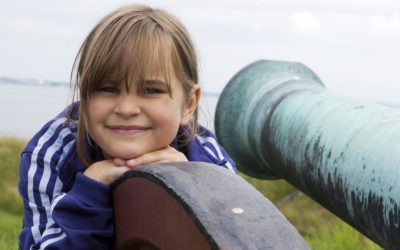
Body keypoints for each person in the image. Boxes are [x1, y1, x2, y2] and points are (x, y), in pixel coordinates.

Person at [18, 4, 236, 249]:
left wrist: (190, 187)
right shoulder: (52, 156)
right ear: (84, 94)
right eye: (108, 89)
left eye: (151, 90)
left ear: (188, 103)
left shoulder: (210, 164)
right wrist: (88, 194)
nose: (126, 108)